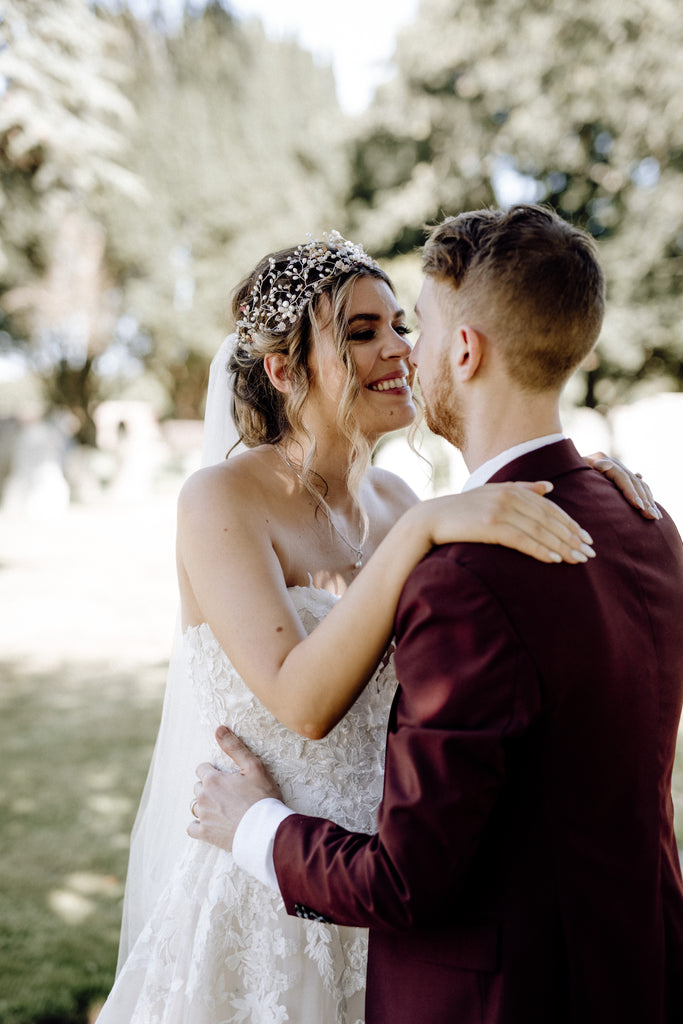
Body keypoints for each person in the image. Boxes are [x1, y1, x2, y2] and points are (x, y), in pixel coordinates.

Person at [189, 206, 683, 1024]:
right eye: (364, 331)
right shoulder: (649, 522)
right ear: (282, 370)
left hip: (452, 949)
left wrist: (254, 829)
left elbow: (409, 874)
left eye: (410, 325)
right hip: (619, 957)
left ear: (464, 349)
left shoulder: (448, 550)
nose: (400, 351)